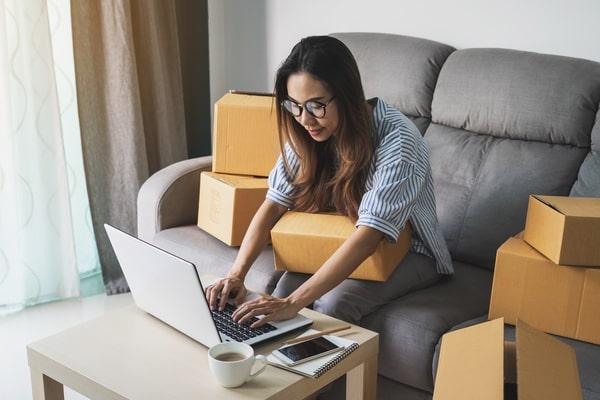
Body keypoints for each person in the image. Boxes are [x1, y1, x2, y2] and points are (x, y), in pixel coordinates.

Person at [205, 35, 453, 329]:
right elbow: (272, 205)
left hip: (412, 251)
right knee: (281, 292)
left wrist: (292, 304)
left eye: (316, 106)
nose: (304, 119)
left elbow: (368, 237)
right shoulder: (309, 133)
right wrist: (237, 274)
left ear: (346, 96)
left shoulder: (398, 142)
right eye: (294, 106)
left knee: (332, 305)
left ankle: (327, 374)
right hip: (341, 237)